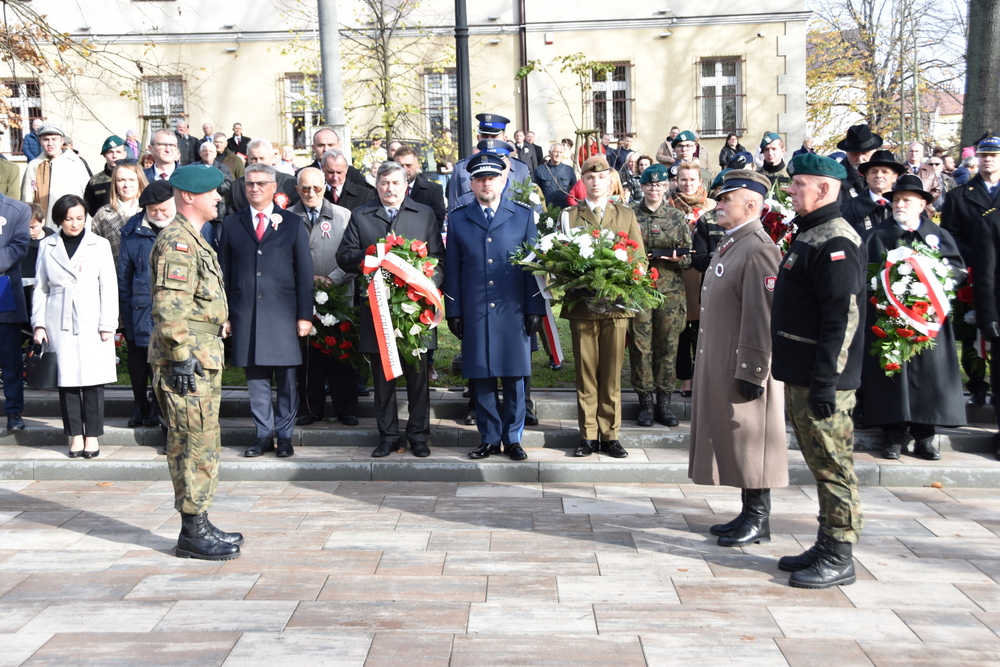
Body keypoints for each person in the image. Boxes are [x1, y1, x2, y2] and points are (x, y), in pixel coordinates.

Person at [771, 153, 865, 589]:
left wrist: (827, 380)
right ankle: (826, 540)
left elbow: (841, 318)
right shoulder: (813, 232)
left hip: (823, 379)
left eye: (798, 184)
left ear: (824, 189)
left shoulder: (836, 240)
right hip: (804, 374)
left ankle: (840, 552)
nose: (790, 190)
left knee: (833, 465)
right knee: (819, 462)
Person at [689, 169, 785, 548]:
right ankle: (749, 513)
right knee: (739, 441)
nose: (719, 204)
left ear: (752, 204)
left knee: (752, 442)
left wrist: (754, 369)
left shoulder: (759, 247)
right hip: (723, 358)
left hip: (744, 363)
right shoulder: (733, 242)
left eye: (727, 199)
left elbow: (761, 315)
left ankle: (759, 518)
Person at [150, 163, 241, 560]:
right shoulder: (178, 243)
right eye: (211, 192)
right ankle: (191, 531)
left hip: (201, 356)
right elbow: (169, 309)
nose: (219, 198)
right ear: (188, 196)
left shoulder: (194, 238)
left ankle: (199, 519)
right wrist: (182, 357)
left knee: (203, 438)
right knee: (191, 440)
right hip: (186, 361)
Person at [336, 161, 444, 458]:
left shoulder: (423, 214)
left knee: (418, 377)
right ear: (377, 185)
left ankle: (419, 435)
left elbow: (438, 259)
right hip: (376, 310)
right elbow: (344, 256)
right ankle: (388, 436)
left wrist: (425, 282)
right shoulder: (361, 215)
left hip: (415, 311)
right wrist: (371, 254)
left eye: (395, 183)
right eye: (384, 183)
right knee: (383, 379)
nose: (389, 188)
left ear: (406, 184)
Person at [444, 153, 544, 460]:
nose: (486, 184)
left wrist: (535, 309)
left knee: (515, 377)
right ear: (471, 184)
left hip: (512, 310)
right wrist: (454, 310)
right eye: (480, 179)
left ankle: (512, 438)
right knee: (481, 375)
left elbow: (533, 267)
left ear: (503, 180)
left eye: (492, 178)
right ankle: (488, 437)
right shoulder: (459, 219)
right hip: (476, 310)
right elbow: (453, 270)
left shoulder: (523, 216)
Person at [860, 174, 965, 460]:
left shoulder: (938, 236)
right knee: (892, 373)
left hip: (928, 320)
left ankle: (925, 436)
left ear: (922, 204)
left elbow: (956, 269)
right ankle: (893, 434)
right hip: (889, 318)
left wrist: (932, 286)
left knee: (929, 376)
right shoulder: (877, 235)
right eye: (895, 200)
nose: (899, 204)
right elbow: (865, 272)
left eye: (906, 199)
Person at [219, 162, 313, 459]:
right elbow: (224, 272)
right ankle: (262, 434)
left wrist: (304, 315)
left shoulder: (292, 223)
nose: (254, 188)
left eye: (261, 183)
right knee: (256, 378)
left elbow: (304, 273)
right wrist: (226, 314)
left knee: (287, 379)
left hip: (283, 313)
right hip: (246, 312)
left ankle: (284, 436)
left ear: (274, 187)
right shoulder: (232, 223)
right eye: (249, 184)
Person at [561, 155, 645, 459]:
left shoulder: (625, 215)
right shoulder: (569, 216)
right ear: (583, 181)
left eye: (602, 177)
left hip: (616, 306)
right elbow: (560, 260)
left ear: (611, 181)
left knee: (611, 372)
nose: (596, 183)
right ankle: (588, 434)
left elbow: (639, 258)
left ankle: (610, 434)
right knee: (585, 372)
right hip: (583, 305)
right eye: (590, 177)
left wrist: (622, 282)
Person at [32, 194, 118, 458]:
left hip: (92, 317)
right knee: (66, 381)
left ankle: (92, 435)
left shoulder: (99, 244)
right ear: (59, 219)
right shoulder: (48, 245)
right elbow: (40, 288)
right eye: (69, 219)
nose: (75, 223)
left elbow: (109, 286)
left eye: (80, 218)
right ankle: (75, 435)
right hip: (58, 317)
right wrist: (39, 324)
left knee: (93, 381)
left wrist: (108, 324)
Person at [289, 167, 359, 427]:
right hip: (302, 297)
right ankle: (311, 407)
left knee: (341, 354)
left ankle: (346, 409)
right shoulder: (286, 218)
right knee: (308, 357)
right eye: (305, 188)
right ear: (297, 190)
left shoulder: (344, 215)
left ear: (325, 188)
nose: (311, 193)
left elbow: (354, 256)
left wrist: (332, 279)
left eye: (316, 188)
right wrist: (306, 281)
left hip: (338, 295)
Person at [629, 164, 690, 427]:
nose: (654, 189)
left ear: (667, 186)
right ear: (642, 187)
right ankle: (645, 404)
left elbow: (689, 261)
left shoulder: (677, 217)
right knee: (641, 347)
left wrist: (674, 256)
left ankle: (664, 404)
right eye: (649, 185)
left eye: (660, 185)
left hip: (670, 291)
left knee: (668, 346)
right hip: (640, 289)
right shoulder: (631, 215)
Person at [941, 136, 1000, 408]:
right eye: (984, 155)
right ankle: (977, 386)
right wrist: (976, 260)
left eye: (994, 155)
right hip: (971, 274)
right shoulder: (958, 196)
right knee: (970, 333)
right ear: (976, 158)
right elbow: (950, 236)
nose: (988, 159)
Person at [118, 180, 174, 428]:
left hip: (173, 308)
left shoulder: (182, 228)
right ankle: (139, 402)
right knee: (139, 355)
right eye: (154, 211)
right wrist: (125, 318)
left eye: (164, 209)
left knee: (162, 361)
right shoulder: (132, 233)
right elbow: (124, 279)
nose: (159, 215)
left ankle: (157, 403)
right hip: (140, 306)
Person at [671, 162, 718, 399]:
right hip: (680, 277)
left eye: (692, 179)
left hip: (706, 274)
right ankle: (685, 378)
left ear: (700, 181)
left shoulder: (713, 207)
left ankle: (702, 375)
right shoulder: (670, 207)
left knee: (704, 330)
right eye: (683, 180)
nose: (688, 184)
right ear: (676, 182)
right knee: (681, 331)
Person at [447, 113, 530, 211]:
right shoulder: (462, 168)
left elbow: (532, 208)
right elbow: (454, 209)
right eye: (485, 136)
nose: (489, 141)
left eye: (494, 137)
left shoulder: (520, 168)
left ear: (504, 139)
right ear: (478, 138)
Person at [0, 191, 31, 432]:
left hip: (4, 290)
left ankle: (14, 412)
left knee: (10, 357)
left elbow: (18, 247)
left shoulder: (18, 210)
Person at [21, 124, 90, 227]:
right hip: (44, 224)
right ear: (40, 141)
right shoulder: (34, 165)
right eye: (46, 140)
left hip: (72, 223)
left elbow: (86, 195)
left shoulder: (75, 163)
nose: (50, 143)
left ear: (62, 141)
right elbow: (27, 198)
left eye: (54, 139)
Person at [92, 162, 147, 266]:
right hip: (113, 275)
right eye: (121, 180)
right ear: (115, 183)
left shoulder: (150, 211)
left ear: (139, 180)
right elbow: (94, 252)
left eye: (131, 180)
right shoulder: (103, 214)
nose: (126, 185)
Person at [226, 139, 299, 215]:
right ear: (247, 159)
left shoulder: (290, 183)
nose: (258, 163)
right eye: (253, 159)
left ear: (272, 158)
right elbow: (231, 218)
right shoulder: (236, 187)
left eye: (262, 158)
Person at [840, 149, 904, 236]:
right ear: (867, 176)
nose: (879, 175)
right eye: (874, 172)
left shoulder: (907, 207)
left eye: (885, 172)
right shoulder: (848, 208)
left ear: (894, 177)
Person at [393, 144, 446, 228]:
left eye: (408, 165)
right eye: (400, 166)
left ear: (417, 167)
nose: (404, 169)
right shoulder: (383, 190)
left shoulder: (432, 190)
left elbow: (437, 222)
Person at [84, 135, 129, 217]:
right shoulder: (95, 181)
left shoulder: (135, 177)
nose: (114, 156)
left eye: (118, 152)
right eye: (110, 152)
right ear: (104, 155)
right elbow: (90, 208)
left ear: (125, 154)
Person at [836, 124, 882, 200]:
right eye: (854, 154)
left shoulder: (889, 176)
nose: (860, 159)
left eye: (865, 153)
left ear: (874, 151)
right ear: (847, 153)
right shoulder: (835, 179)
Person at [532, 143, 576, 209]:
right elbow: (535, 191)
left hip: (565, 208)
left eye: (560, 152)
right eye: (555, 152)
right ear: (550, 153)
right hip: (546, 209)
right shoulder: (539, 170)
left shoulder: (569, 170)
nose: (558, 155)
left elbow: (575, 189)